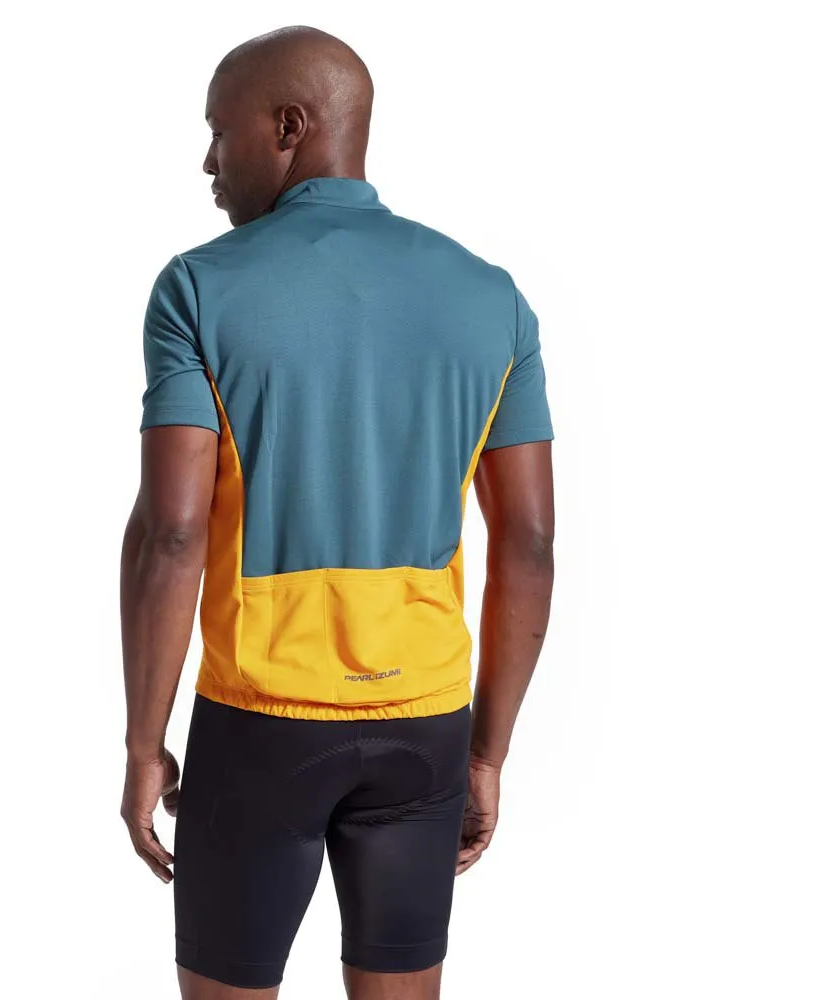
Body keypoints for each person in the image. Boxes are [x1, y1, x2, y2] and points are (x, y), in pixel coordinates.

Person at [119, 24, 555, 1000]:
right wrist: (486, 753)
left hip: (259, 721)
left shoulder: (198, 289)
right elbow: (529, 542)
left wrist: (145, 745)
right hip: (425, 725)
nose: (207, 162)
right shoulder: (492, 299)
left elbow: (172, 533)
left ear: (289, 126)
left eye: (218, 132)